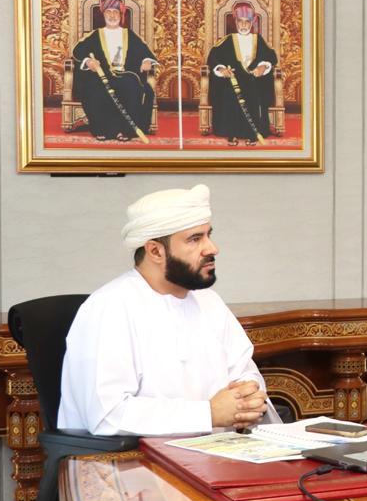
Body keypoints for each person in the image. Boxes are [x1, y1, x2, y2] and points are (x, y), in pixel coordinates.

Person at [59, 184, 274, 435]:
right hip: (131, 457)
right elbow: (107, 416)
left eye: (208, 235)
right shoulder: (109, 308)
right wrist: (208, 414)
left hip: (218, 452)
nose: (212, 248)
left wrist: (249, 397)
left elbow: (245, 372)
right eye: (195, 239)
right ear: (155, 251)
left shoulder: (209, 302)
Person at [69, 0, 156, 140]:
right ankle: (103, 129)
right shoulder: (95, 35)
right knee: (94, 89)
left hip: (126, 75)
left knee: (132, 87)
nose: (112, 15)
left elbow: (145, 52)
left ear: (121, 15)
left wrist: (146, 61)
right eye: (108, 12)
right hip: (102, 76)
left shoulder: (129, 34)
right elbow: (78, 51)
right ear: (103, 14)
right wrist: (88, 62)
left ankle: (125, 131)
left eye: (115, 12)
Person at [206, 2, 279, 142]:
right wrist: (221, 69)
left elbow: (270, 56)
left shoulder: (258, 40)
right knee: (228, 93)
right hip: (233, 80)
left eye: (247, 22)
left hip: (254, 80)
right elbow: (214, 57)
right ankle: (231, 131)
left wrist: (263, 67)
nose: (244, 25)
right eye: (240, 21)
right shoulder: (227, 40)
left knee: (255, 92)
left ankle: (254, 132)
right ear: (236, 22)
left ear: (252, 23)